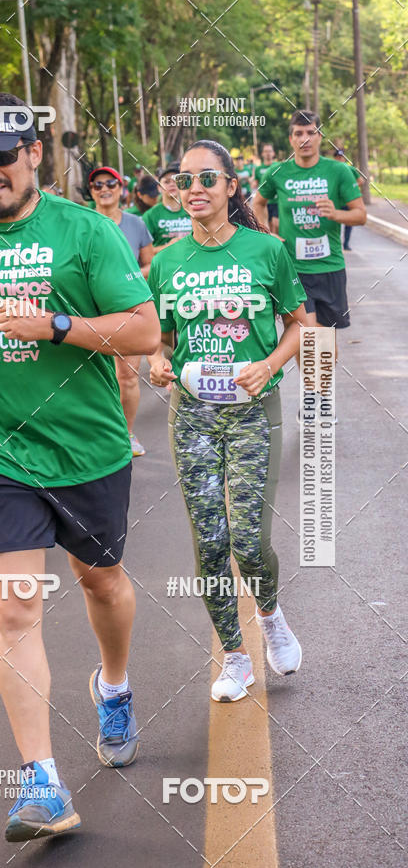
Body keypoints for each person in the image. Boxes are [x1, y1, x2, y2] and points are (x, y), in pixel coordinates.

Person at [0, 93, 160, 842]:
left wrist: (59, 325)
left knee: (102, 582)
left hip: (87, 450)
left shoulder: (86, 231)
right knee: (15, 607)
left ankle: (112, 686)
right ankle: (42, 785)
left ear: (33, 156)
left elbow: (144, 332)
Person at [148, 139, 308, 702]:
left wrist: (268, 364)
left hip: (251, 413)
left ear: (231, 187)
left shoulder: (266, 252)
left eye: (207, 179)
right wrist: (159, 362)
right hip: (191, 414)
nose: (193, 189)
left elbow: (298, 325)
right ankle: (235, 656)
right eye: (184, 179)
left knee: (248, 539)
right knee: (209, 541)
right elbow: (160, 340)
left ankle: (269, 615)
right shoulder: (167, 261)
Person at [253, 110, 366, 374]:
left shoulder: (338, 171)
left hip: (329, 267)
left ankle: (321, 396)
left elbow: (360, 215)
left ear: (319, 137)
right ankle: (313, 395)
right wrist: (265, 232)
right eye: (298, 133)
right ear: (291, 139)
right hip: (293, 269)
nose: (305, 138)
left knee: (325, 342)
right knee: (306, 336)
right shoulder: (278, 172)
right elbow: (258, 201)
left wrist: (336, 213)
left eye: (311, 132)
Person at [90, 165, 154, 457]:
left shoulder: (136, 224)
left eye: (110, 184)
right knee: (92, 377)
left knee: (127, 375)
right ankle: (100, 435)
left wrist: (122, 281)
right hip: (90, 311)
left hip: (129, 309)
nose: (104, 189)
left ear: (121, 190)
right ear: (91, 192)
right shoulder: (84, 223)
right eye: (97, 185)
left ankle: (126, 435)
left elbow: (150, 266)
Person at [143, 162, 192, 251]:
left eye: (176, 180)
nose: (171, 184)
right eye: (166, 182)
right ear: (159, 188)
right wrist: (168, 247)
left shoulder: (192, 210)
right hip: (165, 263)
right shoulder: (150, 215)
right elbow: (143, 252)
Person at [333, 148, 365, 251]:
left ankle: (346, 244)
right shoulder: (331, 169)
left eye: (342, 157)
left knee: (348, 223)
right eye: (338, 157)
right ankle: (337, 244)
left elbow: (360, 181)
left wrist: (350, 188)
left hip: (348, 202)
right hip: (335, 202)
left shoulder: (350, 169)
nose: (340, 159)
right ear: (335, 158)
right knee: (334, 224)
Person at [252, 143, 279, 234]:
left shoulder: (278, 166)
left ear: (273, 153)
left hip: (276, 201)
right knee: (268, 227)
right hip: (264, 202)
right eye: (266, 151)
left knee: (276, 224)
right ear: (262, 154)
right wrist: (253, 183)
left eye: (270, 151)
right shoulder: (258, 169)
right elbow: (256, 182)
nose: (268, 153)